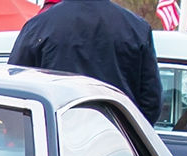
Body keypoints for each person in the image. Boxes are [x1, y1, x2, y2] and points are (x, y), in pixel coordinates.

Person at [8, 0, 161, 123]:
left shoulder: (39, 26)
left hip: (56, 140)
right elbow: (150, 103)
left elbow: (16, 90)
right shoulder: (136, 28)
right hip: (115, 140)